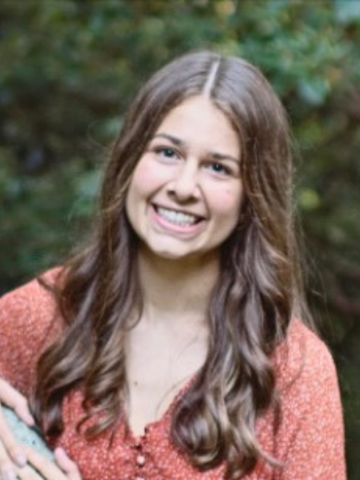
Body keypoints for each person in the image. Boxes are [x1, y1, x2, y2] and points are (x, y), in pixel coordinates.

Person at [0, 51, 345, 479]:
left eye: (218, 168)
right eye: (167, 152)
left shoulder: (293, 371)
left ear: (251, 196)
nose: (183, 186)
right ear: (130, 160)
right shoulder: (44, 314)